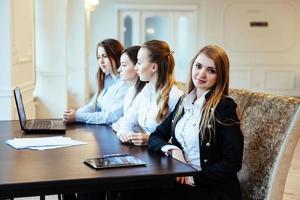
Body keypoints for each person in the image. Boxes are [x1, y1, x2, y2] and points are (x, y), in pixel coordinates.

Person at [147, 45, 244, 200]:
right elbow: (155, 136)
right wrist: (173, 151)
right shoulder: (184, 102)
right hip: (181, 181)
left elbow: (233, 162)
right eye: (198, 66)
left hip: (210, 189)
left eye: (211, 70)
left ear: (220, 76)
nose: (201, 74)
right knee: (132, 188)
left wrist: (192, 178)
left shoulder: (224, 107)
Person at [116, 40, 183, 146]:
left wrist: (151, 139)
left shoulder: (176, 97)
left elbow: (180, 141)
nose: (136, 67)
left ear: (154, 67)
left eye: (139, 62)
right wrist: (124, 134)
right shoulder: (145, 92)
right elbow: (126, 122)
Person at [63, 38, 130, 125]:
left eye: (105, 56)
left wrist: (78, 116)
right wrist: (74, 114)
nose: (101, 62)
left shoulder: (125, 83)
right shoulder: (106, 79)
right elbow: (94, 105)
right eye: (98, 57)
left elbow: (112, 117)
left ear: (116, 56)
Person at [112, 45, 146, 132]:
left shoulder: (145, 94)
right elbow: (124, 120)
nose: (119, 69)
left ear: (137, 66)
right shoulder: (130, 91)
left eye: (123, 65)